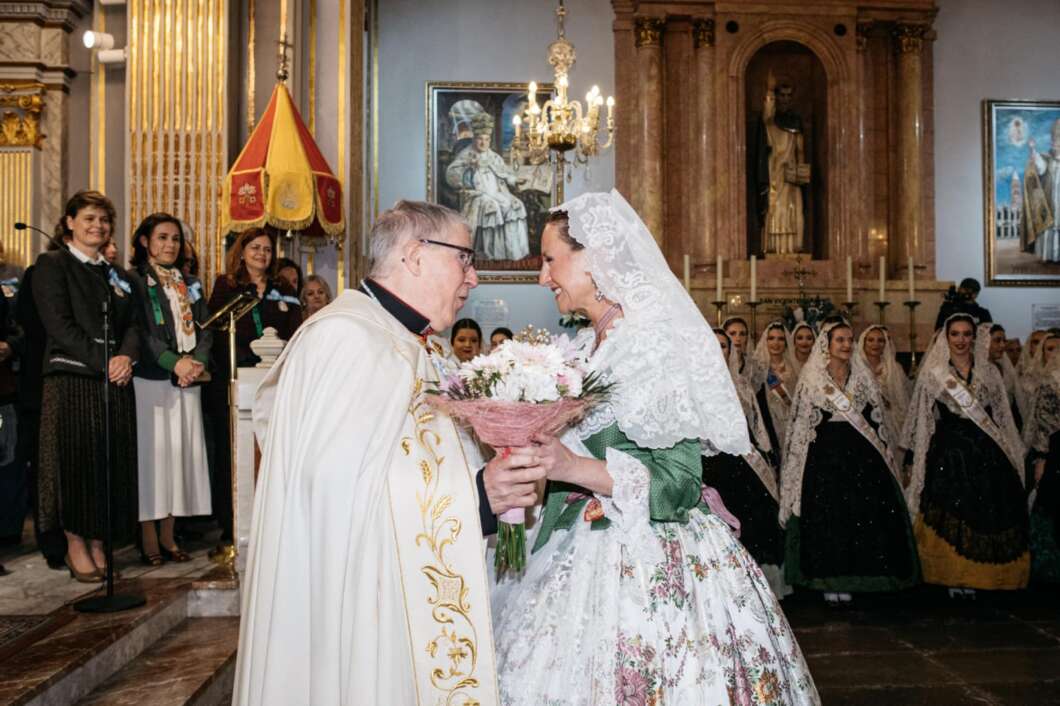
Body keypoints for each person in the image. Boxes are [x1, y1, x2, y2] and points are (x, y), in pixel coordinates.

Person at [491, 191, 818, 704]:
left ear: (593, 257)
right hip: (579, 539)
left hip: (647, 556)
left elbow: (679, 482)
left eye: (550, 261)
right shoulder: (583, 347)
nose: (543, 277)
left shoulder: (649, 343)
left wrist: (571, 465)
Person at [233, 200, 541, 706]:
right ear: (416, 256)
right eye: (465, 258)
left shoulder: (417, 345)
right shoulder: (346, 339)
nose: (474, 278)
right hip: (356, 620)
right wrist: (476, 500)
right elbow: (333, 501)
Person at [33, 190, 139, 582]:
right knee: (75, 464)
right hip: (73, 379)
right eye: (89, 219)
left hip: (114, 379)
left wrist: (126, 357)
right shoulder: (53, 264)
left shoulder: (115, 273)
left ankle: (99, 541)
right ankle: (76, 542)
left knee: (106, 464)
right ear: (70, 223)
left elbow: (134, 325)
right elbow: (59, 326)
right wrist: (105, 362)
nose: (97, 226)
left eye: (104, 220)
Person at [780, 321, 919, 603]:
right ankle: (831, 580)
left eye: (849, 340)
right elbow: (801, 427)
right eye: (839, 340)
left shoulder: (863, 378)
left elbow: (876, 421)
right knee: (830, 519)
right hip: (824, 461)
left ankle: (859, 576)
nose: (846, 345)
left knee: (861, 517)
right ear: (827, 346)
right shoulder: (812, 380)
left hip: (861, 459)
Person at [901, 314, 1028, 596]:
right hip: (949, 451)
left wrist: (1011, 450)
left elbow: (1002, 416)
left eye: (967, 334)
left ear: (975, 337)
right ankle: (952, 576)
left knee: (985, 510)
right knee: (952, 511)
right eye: (955, 334)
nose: (961, 340)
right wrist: (915, 458)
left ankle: (981, 576)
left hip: (986, 450)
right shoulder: (934, 373)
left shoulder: (989, 372)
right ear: (946, 338)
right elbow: (922, 418)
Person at [127, 214, 212, 566]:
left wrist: (197, 361)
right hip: (152, 378)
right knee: (153, 459)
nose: (170, 245)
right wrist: (171, 362)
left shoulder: (190, 282)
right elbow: (138, 332)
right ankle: (148, 537)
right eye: (162, 238)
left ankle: (168, 534)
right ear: (145, 241)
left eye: (175, 239)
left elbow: (206, 327)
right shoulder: (134, 280)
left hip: (187, 379)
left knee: (179, 459)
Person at [206, 228, 300, 542]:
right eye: (255, 248)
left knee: (272, 449)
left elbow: (297, 328)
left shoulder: (281, 287)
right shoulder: (228, 285)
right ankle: (232, 524)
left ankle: (272, 518)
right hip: (236, 378)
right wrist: (247, 361)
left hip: (276, 379)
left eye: (267, 249)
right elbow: (218, 333)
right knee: (231, 452)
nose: (262, 254)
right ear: (242, 251)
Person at [703, 327, 789, 598]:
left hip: (742, 462)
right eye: (714, 345)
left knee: (756, 519)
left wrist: (764, 451)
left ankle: (756, 587)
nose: (719, 351)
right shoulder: (692, 384)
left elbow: (757, 425)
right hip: (709, 462)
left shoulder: (741, 384)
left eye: (724, 346)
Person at [445, 112, 530, 261]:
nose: (483, 143)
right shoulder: (466, 155)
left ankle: (514, 252)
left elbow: (504, 173)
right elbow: (451, 175)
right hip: (477, 194)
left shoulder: (494, 156)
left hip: (498, 192)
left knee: (516, 205)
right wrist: (469, 168)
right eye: (480, 139)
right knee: (492, 208)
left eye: (486, 139)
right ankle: (491, 254)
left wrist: (515, 180)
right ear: (474, 139)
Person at [1025, 333, 1060, 583]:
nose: (1056, 354)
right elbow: (1044, 427)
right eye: (1050, 349)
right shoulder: (1048, 385)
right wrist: (1042, 459)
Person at [724, 316, 782, 457]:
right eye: (732, 334)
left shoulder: (755, 368)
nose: (737, 338)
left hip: (750, 432)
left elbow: (762, 408)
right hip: (724, 434)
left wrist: (772, 445)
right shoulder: (716, 369)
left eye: (742, 334)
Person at [857, 325, 912, 435]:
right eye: (870, 340)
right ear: (863, 342)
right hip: (863, 421)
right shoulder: (855, 368)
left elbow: (902, 400)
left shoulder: (895, 368)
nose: (875, 344)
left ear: (886, 343)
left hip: (891, 422)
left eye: (880, 340)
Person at [754, 320, 797, 449]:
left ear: (786, 343)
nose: (776, 343)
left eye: (780, 339)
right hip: (767, 425)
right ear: (765, 341)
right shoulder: (758, 369)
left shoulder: (794, 368)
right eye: (771, 338)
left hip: (791, 427)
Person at [988, 323, 1024, 429]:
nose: (1003, 345)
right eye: (997, 340)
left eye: (1004, 340)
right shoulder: (975, 370)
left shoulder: (1005, 367)